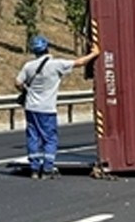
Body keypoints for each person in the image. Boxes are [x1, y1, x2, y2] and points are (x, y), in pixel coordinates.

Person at [16, 34, 100, 179]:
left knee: (33, 137)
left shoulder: (28, 66)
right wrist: (94, 53)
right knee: (49, 138)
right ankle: (47, 168)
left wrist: (27, 90)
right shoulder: (56, 65)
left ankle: (34, 169)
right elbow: (79, 63)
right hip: (47, 109)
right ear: (47, 48)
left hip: (31, 107)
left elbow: (17, 83)